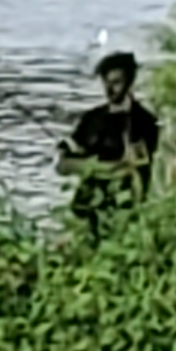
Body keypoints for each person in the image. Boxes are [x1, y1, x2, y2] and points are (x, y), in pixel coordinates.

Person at [59, 49, 162, 229]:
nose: (109, 89)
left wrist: (92, 167)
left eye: (116, 83)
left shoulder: (143, 122)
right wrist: (83, 163)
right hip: (85, 208)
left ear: (130, 83)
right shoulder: (91, 119)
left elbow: (136, 169)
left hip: (123, 210)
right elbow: (62, 166)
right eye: (106, 82)